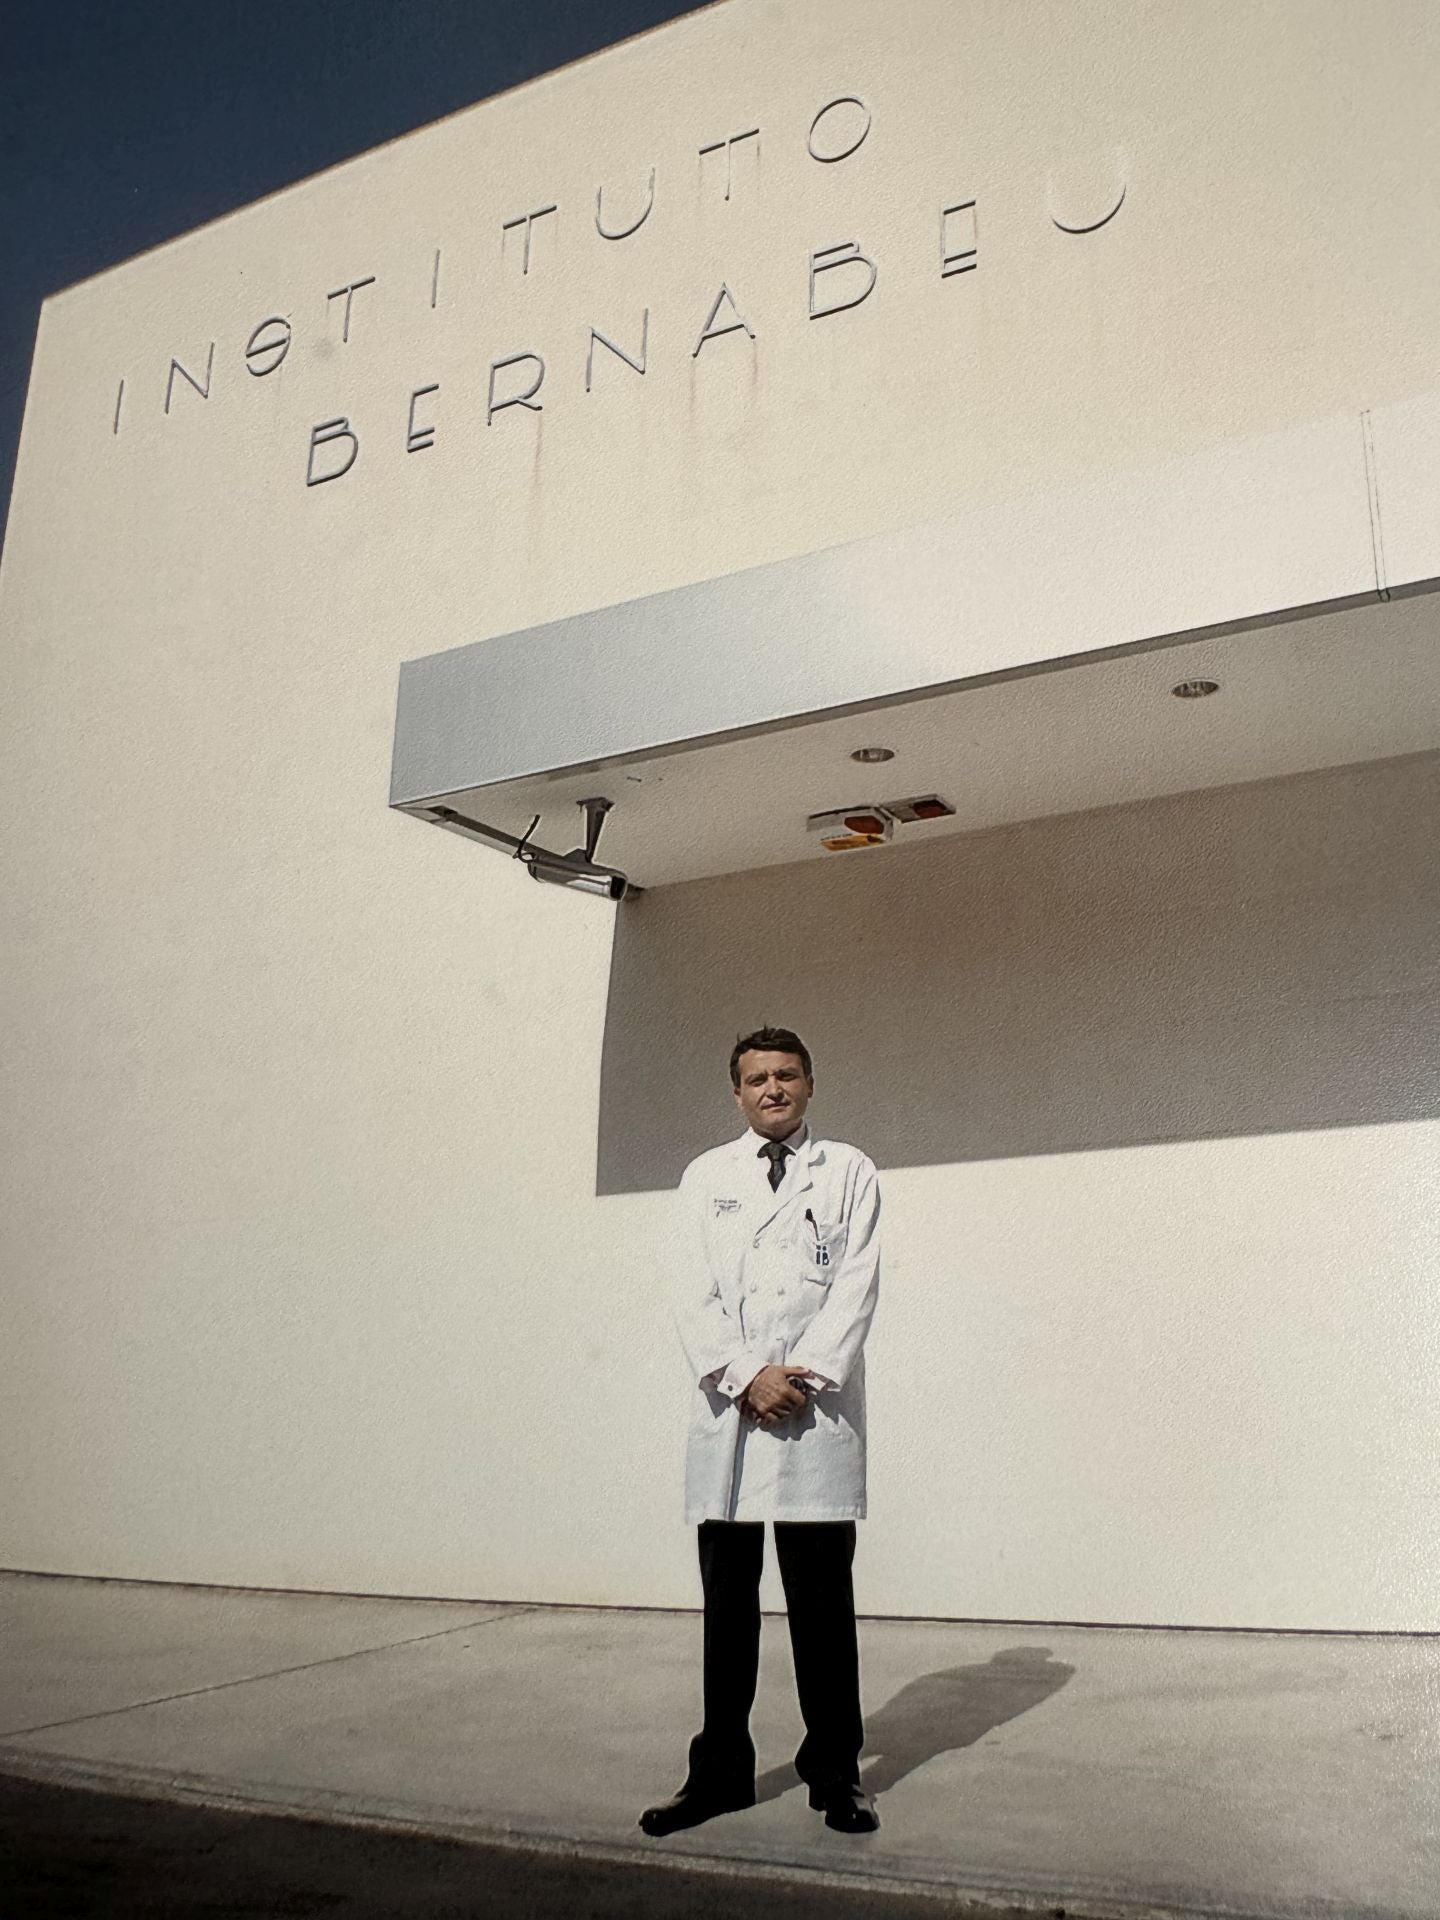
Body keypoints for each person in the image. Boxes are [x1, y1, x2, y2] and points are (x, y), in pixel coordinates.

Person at [640, 1026, 882, 1838]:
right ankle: (718, 1774)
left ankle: (836, 1774)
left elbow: (855, 1287)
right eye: (756, 1079)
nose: (772, 1089)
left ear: (810, 1084)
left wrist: (799, 1377)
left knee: (823, 1609)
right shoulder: (706, 1177)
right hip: (733, 1415)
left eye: (786, 1075)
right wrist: (747, 1376)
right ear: (737, 1092)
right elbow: (691, 1291)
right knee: (727, 1609)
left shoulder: (849, 1171)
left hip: (812, 1414)